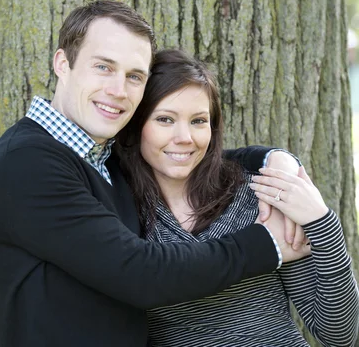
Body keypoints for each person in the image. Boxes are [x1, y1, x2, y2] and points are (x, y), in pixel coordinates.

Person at [0, 0, 306, 347]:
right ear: (63, 63)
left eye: (134, 76)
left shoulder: (100, 158)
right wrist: (268, 243)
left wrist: (274, 161)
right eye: (103, 67)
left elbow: (191, 156)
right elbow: (142, 274)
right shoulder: (26, 165)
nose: (118, 90)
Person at [116, 48, 359, 347]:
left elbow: (339, 335)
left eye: (198, 121)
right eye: (165, 119)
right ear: (137, 125)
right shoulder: (120, 210)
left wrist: (324, 225)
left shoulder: (258, 196)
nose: (185, 138)